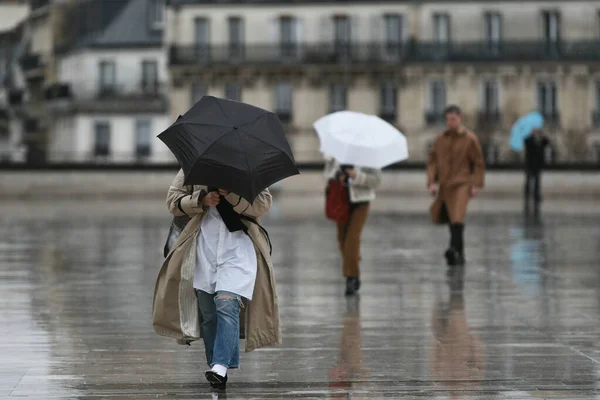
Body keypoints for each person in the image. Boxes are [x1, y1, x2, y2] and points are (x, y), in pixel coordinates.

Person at [153, 170, 281, 391]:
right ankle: (217, 366)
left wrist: (231, 195)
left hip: (239, 247)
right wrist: (201, 199)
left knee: (226, 302)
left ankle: (220, 367)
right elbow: (172, 201)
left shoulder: (246, 166)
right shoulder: (193, 167)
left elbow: (263, 204)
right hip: (203, 248)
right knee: (209, 314)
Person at [427, 105, 485, 268]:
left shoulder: (469, 139)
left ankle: (453, 249)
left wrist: (476, 184)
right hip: (445, 184)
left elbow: (478, 163)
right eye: (448, 119)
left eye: (453, 119)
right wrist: (432, 182)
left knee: (457, 216)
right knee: (449, 217)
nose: (450, 122)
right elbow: (432, 161)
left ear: (460, 118)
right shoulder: (440, 139)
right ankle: (459, 252)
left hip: (462, 183)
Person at [325, 158, 382, 296]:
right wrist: (338, 175)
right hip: (341, 201)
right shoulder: (337, 152)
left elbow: (376, 181)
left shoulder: (369, 154)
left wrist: (356, 175)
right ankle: (353, 261)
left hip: (361, 202)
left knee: (352, 238)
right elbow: (327, 173)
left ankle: (351, 278)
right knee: (342, 240)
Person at [524, 129, 550, 207]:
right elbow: (527, 142)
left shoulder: (540, 141)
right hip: (530, 164)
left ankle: (536, 196)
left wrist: (542, 136)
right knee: (529, 181)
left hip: (537, 165)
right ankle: (527, 196)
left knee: (537, 182)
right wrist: (534, 138)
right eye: (535, 132)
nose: (536, 133)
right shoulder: (530, 140)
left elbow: (546, 142)